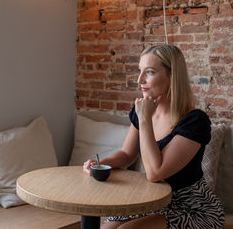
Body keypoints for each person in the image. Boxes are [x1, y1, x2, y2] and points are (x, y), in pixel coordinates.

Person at [83, 44, 225, 229]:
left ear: (171, 77)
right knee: (107, 228)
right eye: (140, 71)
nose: (139, 79)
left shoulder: (195, 121)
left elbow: (155, 173)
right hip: (151, 200)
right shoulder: (141, 110)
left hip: (192, 207)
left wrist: (145, 119)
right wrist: (101, 164)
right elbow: (126, 154)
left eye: (149, 72)